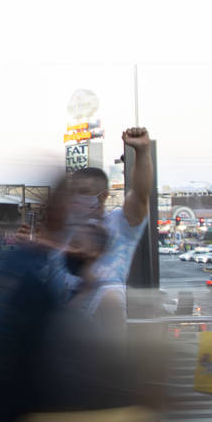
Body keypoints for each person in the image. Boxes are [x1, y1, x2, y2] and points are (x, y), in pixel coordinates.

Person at [56, 127, 153, 310]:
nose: (77, 197)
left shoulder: (120, 224)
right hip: (64, 328)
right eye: (74, 192)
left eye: (84, 192)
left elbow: (140, 194)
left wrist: (142, 152)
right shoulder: (63, 230)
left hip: (103, 331)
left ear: (103, 195)